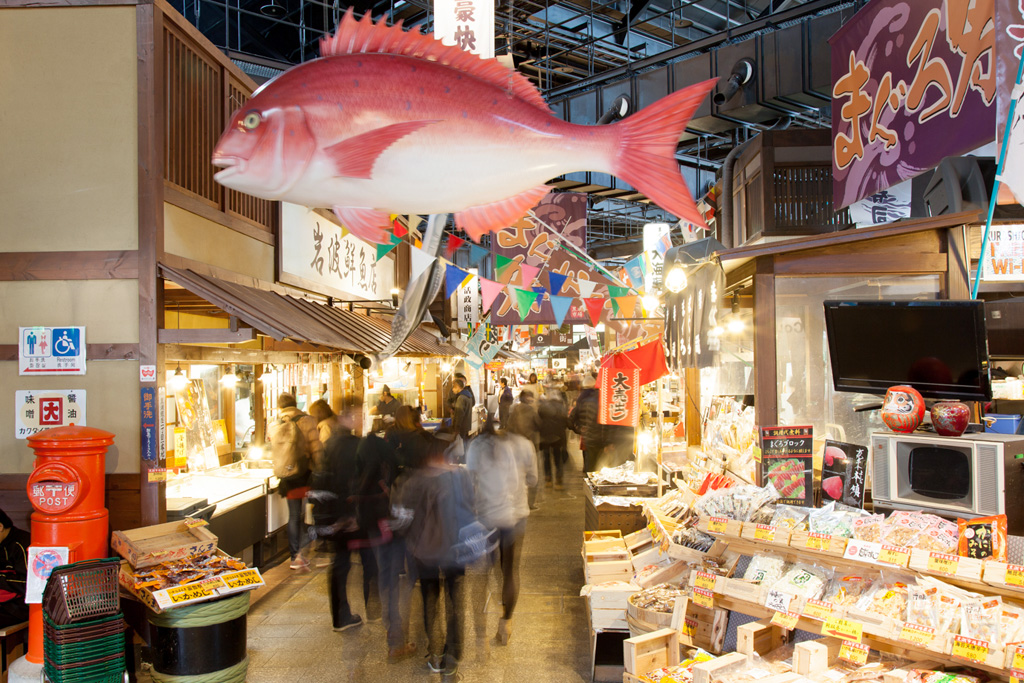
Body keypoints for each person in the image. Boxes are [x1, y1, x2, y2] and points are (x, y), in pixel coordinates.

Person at [399, 437, 474, 677]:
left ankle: (434, 652)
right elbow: (472, 510)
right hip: (454, 550)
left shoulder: (413, 482)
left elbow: (403, 519)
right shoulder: (459, 477)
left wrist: (410, 544)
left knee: (429, 599)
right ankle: (453, 653)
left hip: (425, 553)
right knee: (455, 600)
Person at [465, 416, 537, 645]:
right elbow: (534, 480)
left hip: (486, 517)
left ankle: (479, 635)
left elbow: (469, 479)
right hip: (515, 517)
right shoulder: (524, 445)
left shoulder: (477, 445)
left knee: (482, 572)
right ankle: (506, 622)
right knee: (509, 571)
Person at [320, 407, 375, 632]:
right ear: (345, 418)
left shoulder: (330, 444)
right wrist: (351, 513)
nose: (360, 420)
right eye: (357, 416)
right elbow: (354, 479)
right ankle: (372, 608)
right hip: (351, 513)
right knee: (366, 559)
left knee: (340, 565)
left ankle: (341, 616)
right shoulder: (353, 445)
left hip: (335, 514)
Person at [269, 393, 323, 570]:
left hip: (286, 476)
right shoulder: (307, 420)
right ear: (295, 404)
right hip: (304, 473)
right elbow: (316, 448)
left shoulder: (274, 424)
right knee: (308, 513)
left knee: (293, 515)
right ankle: (305, 551)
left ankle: (295, 556)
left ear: (280, 407)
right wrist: (321, 468)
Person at [569, 374, 604, 473]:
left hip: (587, 437)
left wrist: (580, 429)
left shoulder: (581, 400)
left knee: (590, 464)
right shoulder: (601, 399)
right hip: (600, 438)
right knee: (599, 465)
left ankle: (589, 479)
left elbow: (570, 419)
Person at [0, 510, 29, 628]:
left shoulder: (22, 544)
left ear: (0, 526)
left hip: (19, 608)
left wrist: (2, 579)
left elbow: (30, 585)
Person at [538, 385, 569, 489]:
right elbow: (565, 421)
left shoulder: (543, 406)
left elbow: (538, 419)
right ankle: (559, 481)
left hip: (545, 436)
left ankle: (548, 479)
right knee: (557, 457)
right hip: (558, 436)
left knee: (546, 457)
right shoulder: (561, 407)